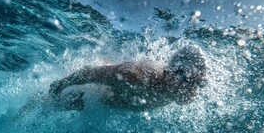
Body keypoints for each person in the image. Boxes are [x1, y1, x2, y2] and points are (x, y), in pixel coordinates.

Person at [49, 45, 207, 111]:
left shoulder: (181, 91)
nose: (190, 88)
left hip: (110, 105)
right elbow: (89, 73)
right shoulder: (137, 76)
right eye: (185, 77)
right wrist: (60, 85)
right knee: (50, 106)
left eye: (197, 82)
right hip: (94, 95)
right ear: (170, 72)